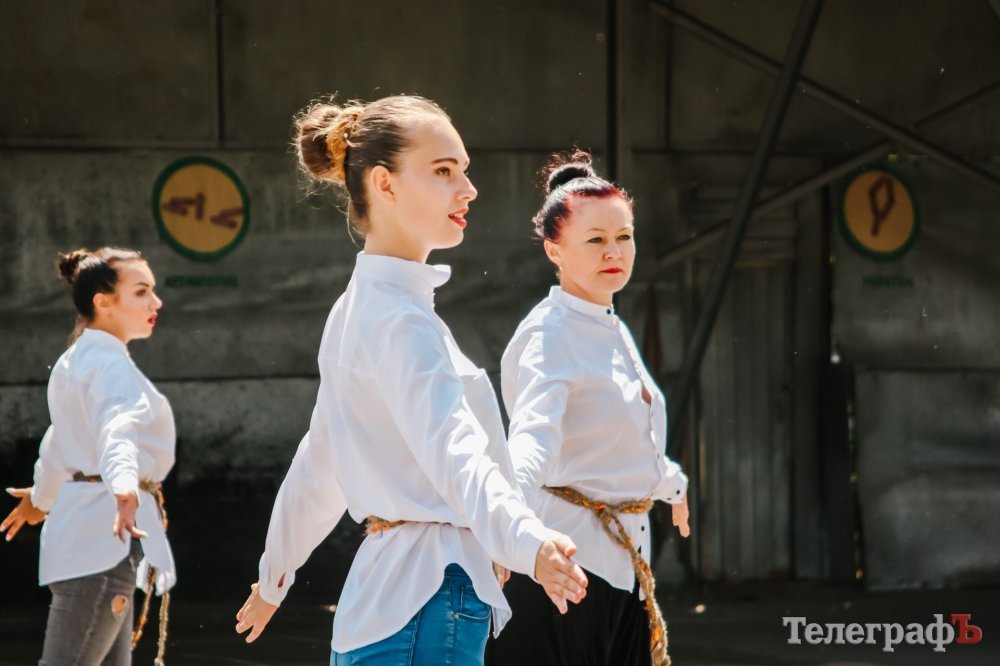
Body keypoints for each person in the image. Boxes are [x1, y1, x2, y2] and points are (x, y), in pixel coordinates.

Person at [234, 95, 588, 666]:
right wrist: (526, 541)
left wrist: (275, 575)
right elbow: (454, 449)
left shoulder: (362, 307)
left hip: (386, 600)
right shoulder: (399, 318)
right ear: (385, 184)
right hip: (429, 596)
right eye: (444, 171)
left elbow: (322, 460)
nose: (468, 189)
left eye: (464, 171)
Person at [485, 152, 690, 666]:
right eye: (595, 240)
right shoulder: (550, 334)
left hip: (623, 573)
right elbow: (531, 441)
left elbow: (621, 444)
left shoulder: (609, 325)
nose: (614, 251)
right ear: (555, 249)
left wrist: (673, 486)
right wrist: (501, 528)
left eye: (624, 236)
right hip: (565, 574)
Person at [1, 247, 176, 666]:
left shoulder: (76, 360)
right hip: (102, 540)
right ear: (103, 302)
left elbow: (60, 443)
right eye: (141, 291)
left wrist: (41, 499)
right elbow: (117, 430)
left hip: (87, 537)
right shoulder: (108, 365)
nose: (156, 302)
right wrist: (123, 486)